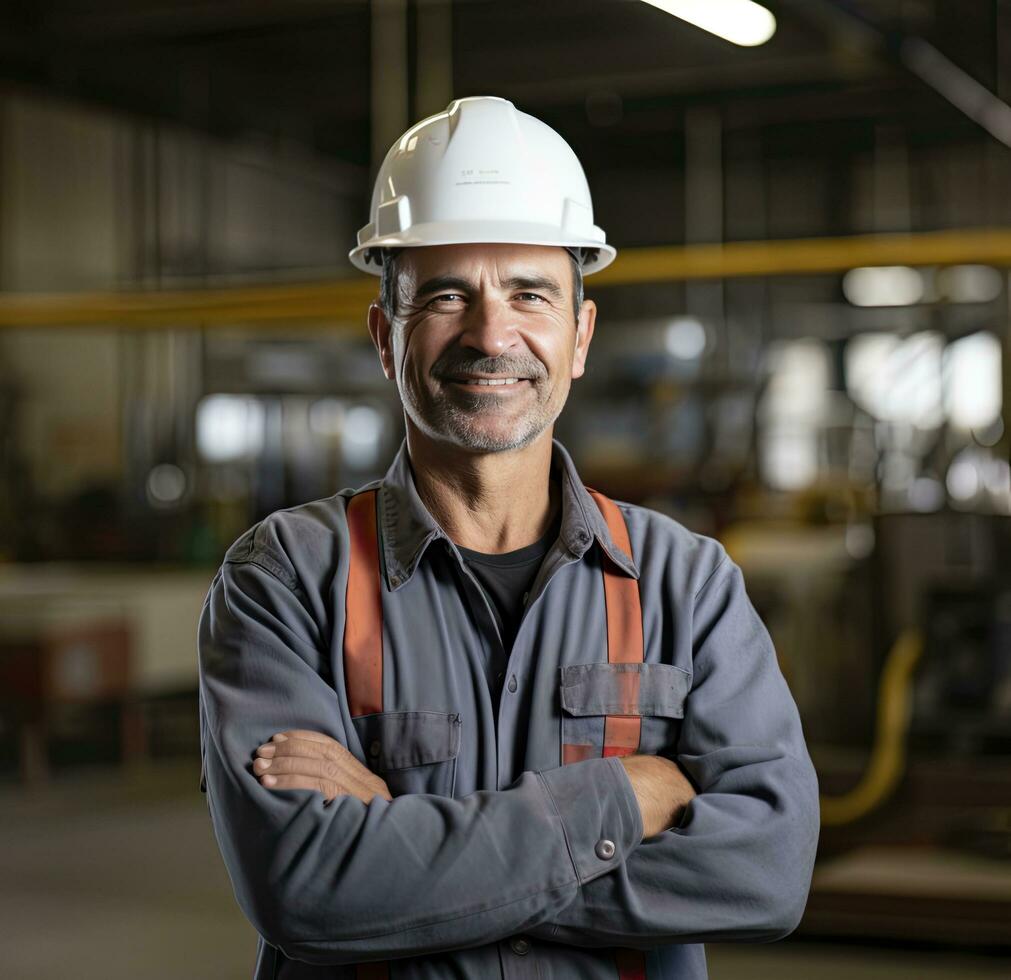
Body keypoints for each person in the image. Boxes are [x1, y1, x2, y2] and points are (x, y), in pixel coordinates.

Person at [198, 95, 820, 980]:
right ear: (386, 337)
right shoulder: (283, 579)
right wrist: (623, 800)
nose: (492, 335)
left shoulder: (686, 582)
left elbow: (766, 873)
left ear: (579, 336)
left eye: (530, 293)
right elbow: (305, 891)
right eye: (447, 294)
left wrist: (398, 848)